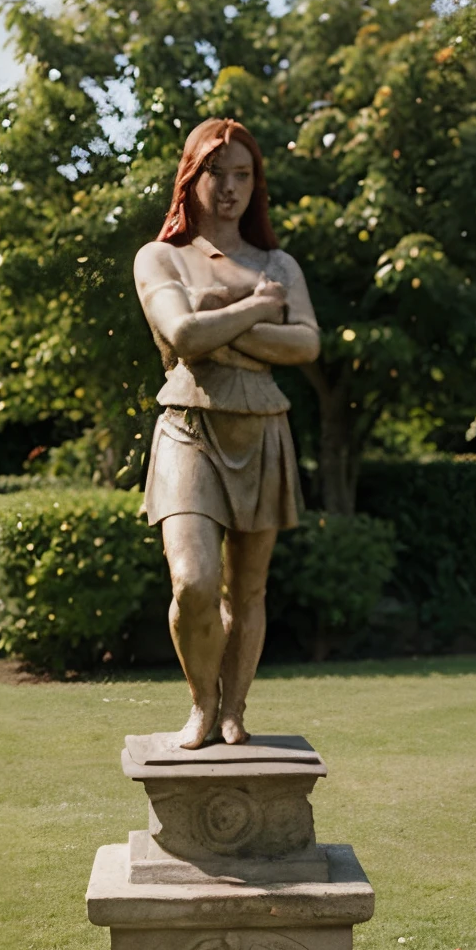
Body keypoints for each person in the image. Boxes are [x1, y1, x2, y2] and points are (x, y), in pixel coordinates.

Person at [134, 119, 320, 749]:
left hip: (263, 426)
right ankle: (200, 704)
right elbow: (182, 337)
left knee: (249, 588)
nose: (231, 187)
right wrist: (257, 309)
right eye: (217, 172)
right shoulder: (162, 257)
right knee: (193, 581)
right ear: (192, 176)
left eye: (244, 174)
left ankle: (233, 709)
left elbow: (307, 344)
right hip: (189, 424)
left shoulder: (278, 263)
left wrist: (219, 317)